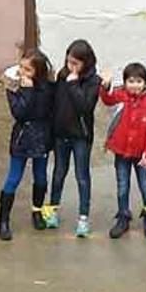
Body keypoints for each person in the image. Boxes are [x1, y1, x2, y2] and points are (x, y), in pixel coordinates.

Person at [43, 40, 101, 237]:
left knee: (82, 176)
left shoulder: (94, 81)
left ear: (86, 62)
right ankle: (52, 210)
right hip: (61, 134)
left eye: (76, 63)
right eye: (69, 62)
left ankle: (83, 218)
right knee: (58, 173)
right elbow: (54, 103)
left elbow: (85, 107)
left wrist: (74, 83)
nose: (71, 67)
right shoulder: (62, 76)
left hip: (80, 136)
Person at [0, 50, 54, 240]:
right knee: (14, 177)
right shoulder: (13, 86)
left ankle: (36, 211)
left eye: (27, 69)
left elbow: (47, 111)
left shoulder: (47, 88)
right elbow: (20, 113)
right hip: (22, 137)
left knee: (41, 178)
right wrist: (27, 90)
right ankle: (3, 220)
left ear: (38, 72)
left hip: (41, 137)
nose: (22, 72)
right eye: (21, 67)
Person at [99, 63, 146, 239]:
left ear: (145, 83)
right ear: (125, 82)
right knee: (122, 187)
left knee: (145, 186)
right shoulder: (120, 97)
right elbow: (107, 99)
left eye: (139, 81)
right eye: (130, 81)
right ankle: (123, 217)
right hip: (122, 153)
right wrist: (106, 85)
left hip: (142, 157)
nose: (134, 85)